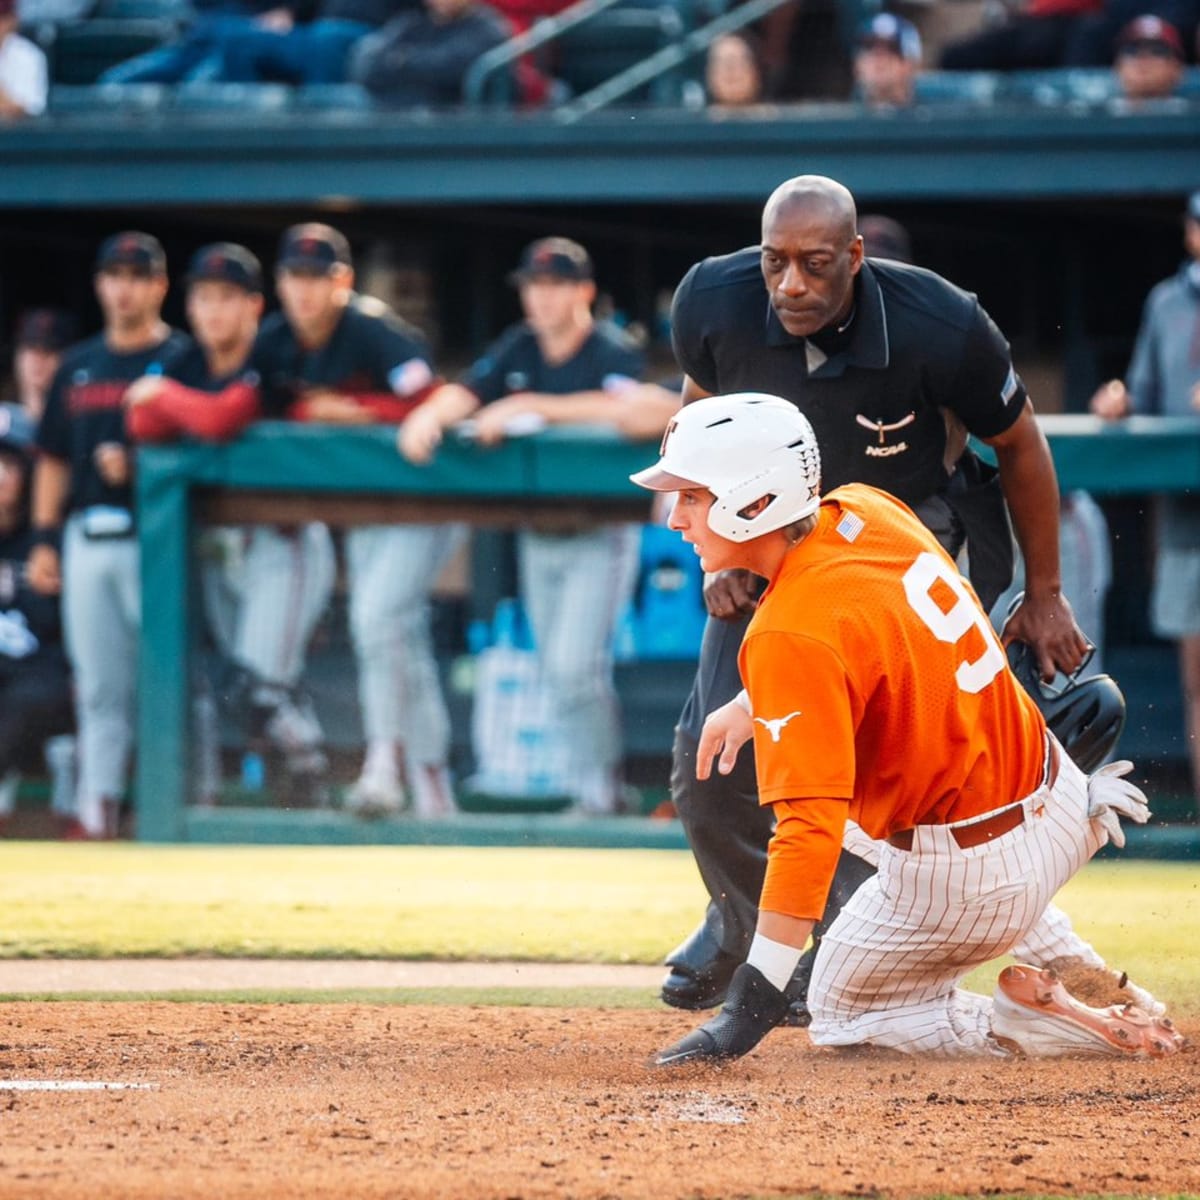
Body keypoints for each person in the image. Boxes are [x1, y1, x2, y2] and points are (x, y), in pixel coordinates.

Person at [659, 174, 1092, 1022]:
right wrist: (720, 550)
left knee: (879, 766)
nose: (790, 285)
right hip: (761, 543)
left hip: (893, 545)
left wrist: (1045, 592)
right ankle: (745, 922)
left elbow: (1021, 444)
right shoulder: (710, 299)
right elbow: (699, 418)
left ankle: (858, 947)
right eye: (775, 263)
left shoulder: (944, 324)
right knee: (706, 764)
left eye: (815, 265)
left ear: (855, 258)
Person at [633, 393, 1180, 1064]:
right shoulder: (867, 507)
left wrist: (752, 1000)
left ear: (753, 502)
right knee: (871, 803)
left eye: (690, 496)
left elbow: (807, 835)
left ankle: (1040, 1027)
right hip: (1061, 798)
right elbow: (869, 631)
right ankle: (1088, 977)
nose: (673, 517)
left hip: (976, 872)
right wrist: (753, 705)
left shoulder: (785, 632)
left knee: (841, 1016)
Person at [398, 236, 656, 814]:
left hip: (600, 531)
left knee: (573, 666)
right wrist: (429, 415)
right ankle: (597, 787)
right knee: (560, 669)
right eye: (534, 286)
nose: (541, 298)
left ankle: (599, 790)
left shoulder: (610, 349)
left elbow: (643, 411)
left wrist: (532, 407)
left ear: (583, 291)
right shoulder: (519, 346)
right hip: (539, 532)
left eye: (554, 285)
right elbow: (464, 393)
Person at [253, 222, 455, 818]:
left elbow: (436, 399)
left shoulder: (374, 332)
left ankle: (382, 767)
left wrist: (358, 412)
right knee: (400, 640)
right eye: (295, 276)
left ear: (343, 281)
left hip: (427, 501)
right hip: (364, 514)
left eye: (319, 277)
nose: (306, 291)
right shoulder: (274, 341)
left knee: (374, 622)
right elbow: (252, 405)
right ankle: (434, 788)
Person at [124, 243, 337, 806]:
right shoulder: (187, 362)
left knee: (256, 687)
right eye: (204, 298)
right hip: (221, 545)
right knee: (248, 687)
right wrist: (173, 399)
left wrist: (171, 399)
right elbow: (141, 422)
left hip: (282, 539)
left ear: (252, 306)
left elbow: (221, 420)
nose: (214, 311)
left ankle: (312, 778)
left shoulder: (271, 353)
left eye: (227, 299)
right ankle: (304, 788)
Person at [29, 232, 191, 840]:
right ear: (100, 284)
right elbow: (51, 458)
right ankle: (99, 810)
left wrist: (143, 464)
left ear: (158, 285)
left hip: (159, 539)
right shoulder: (78, 364)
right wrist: (45, 537)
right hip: (88, 533)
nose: (124, 288)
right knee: (98, 685)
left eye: (136, 276)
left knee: (170, 676)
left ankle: (179, 805)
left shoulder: (181, 357)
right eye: (114, 276)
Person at [1090, 188, 1200, 819]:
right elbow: (1145, 389)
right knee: (1196, 681)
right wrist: (1121, 401)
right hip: (1186, 522)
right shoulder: (1166, 301)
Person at [0, 407, 76, 837]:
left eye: (9, 465)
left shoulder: (48, 541)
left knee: (33, 695)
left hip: (38, 671)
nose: (0, 476)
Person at [348, 0, 510, 107]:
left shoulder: (486, 29)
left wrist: (401, 60)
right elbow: (366, 64)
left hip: (439, 117)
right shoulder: (413, 23)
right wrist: (408, 63)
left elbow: (448, 69)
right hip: (384, 102)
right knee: (330, 99)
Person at [5, 309, 77, 425]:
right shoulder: (4, 421)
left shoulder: (80, 423)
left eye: (48, 351)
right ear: (18, 356)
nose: (38, 360)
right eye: (31, 348)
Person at [853, 13, 922, 108]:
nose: (879, 58)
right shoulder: (841, 117)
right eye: (869, 47)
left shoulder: (932, 117)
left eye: (892, 48)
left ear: (910, 64)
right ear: (858, 65)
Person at [1112, 15, 1187, 102]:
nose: (1143, 58)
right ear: (1117, 66)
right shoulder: (1100, 112)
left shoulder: (1193, 112)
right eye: (1132, 51)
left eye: (1157, 51)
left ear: (1178, 68)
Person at [0, 0, 46, 120]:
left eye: (1, 19)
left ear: (13, 20)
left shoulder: (29, 56)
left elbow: (25, 111)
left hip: (15, 137)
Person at [702, 32, 766, 109]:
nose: (730, 69)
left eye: (739, 61)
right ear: (710, 74)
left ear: (756, 71)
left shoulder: (775, 118)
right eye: (722, 61)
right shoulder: (694, 119)